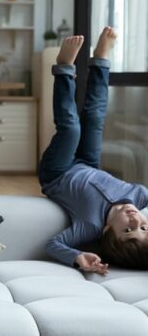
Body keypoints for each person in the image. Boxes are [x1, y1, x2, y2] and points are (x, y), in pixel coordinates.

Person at [39, 27, 148, 274]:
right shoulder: (140, 198)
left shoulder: (89, 225)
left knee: (71, 129)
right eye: (143, 228)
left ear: (107, 231)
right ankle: (101, 58)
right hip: (88, 164)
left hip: (57, 173)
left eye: (128, 230)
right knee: (95, 115)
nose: (136, 221)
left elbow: (53, 244)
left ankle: (64, 67)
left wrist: (77, 256)